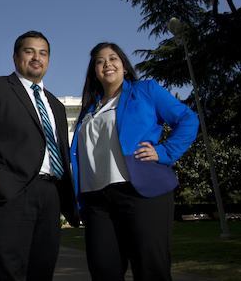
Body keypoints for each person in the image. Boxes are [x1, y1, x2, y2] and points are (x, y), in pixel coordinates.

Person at [0, 31, 80, 281]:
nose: (37, 57)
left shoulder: (55, 104)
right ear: (15, 57)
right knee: (4, 273)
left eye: (43, 53)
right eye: (29, 51)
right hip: (8, 192)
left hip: (50, 195)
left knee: (41, 272)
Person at [70, 42, 199, 281]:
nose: (107, 64)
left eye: (113, 58)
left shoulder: (145, 90)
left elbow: (188, 119)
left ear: (124, 67)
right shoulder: (89, 110)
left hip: (140, 193)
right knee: (103, 271)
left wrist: (164, 151)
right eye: (100, 61)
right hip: (96, 200)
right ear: (94, 72)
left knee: (150, 271)